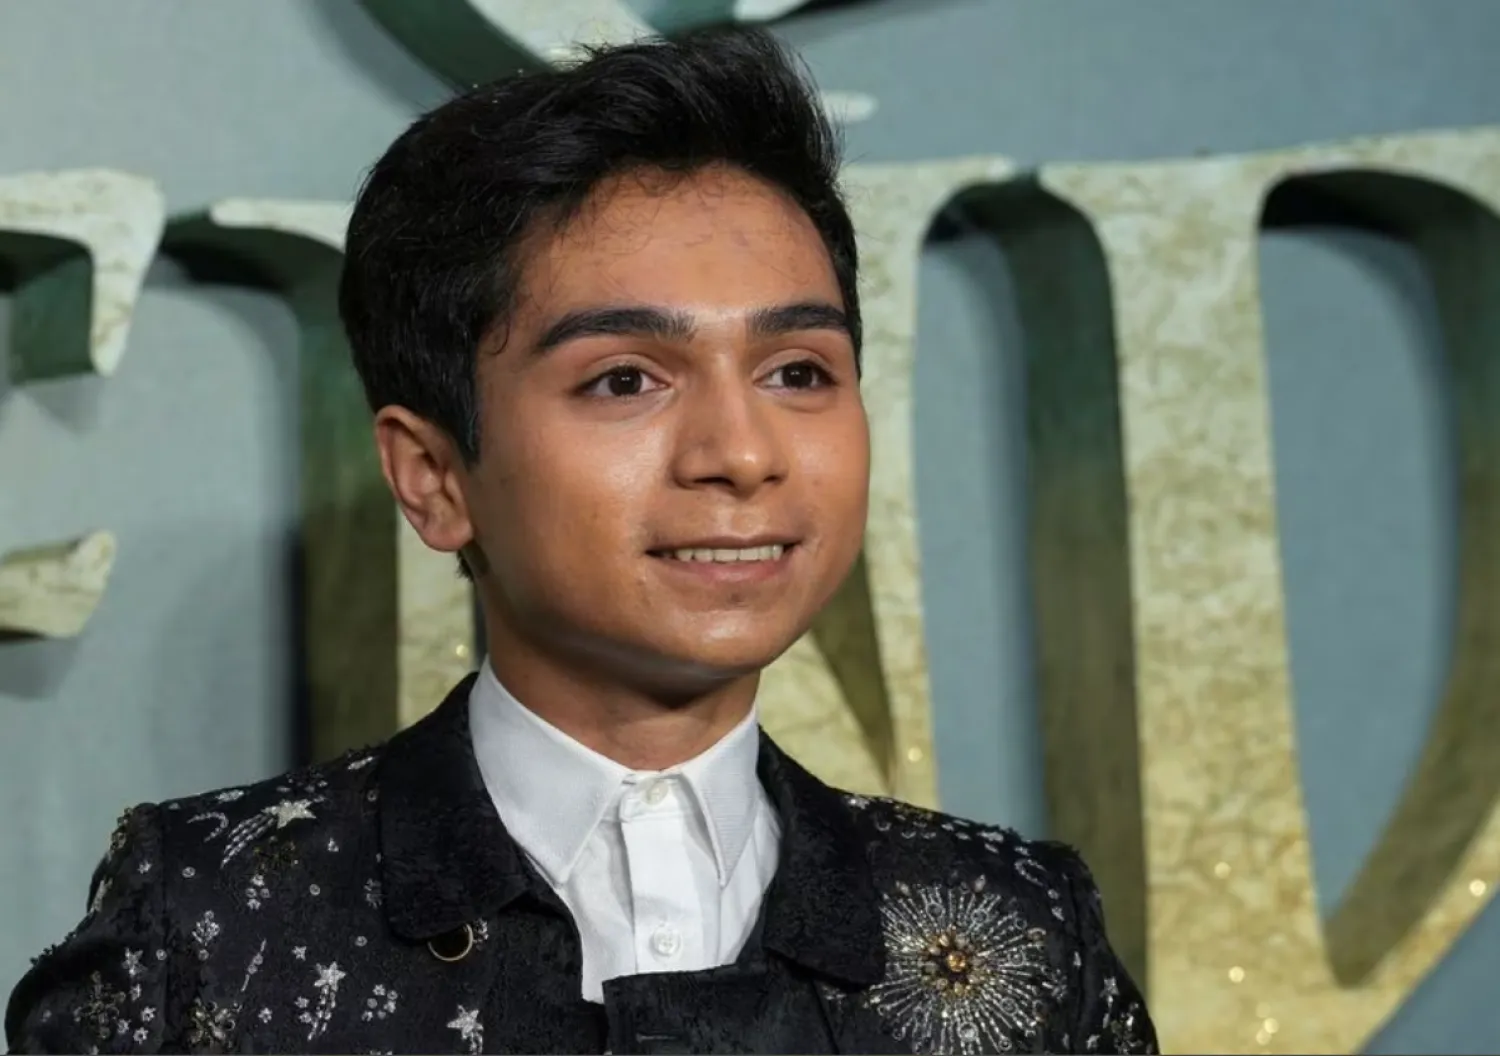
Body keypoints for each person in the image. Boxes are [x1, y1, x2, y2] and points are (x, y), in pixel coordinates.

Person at [5, 27, 1155, 1056]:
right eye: (624, 379)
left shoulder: (1015, 926)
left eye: (799, 371)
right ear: (434, 476)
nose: (741, 453)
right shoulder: (215, 921)